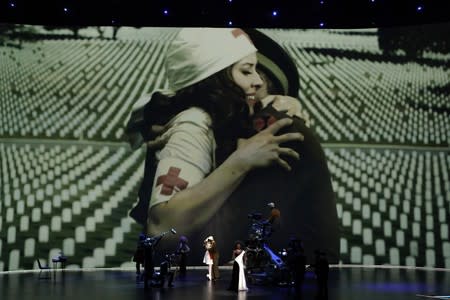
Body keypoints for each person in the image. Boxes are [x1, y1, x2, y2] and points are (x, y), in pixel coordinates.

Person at [125, 28, 302, 263]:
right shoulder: (195, 123)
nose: (258, 82)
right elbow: (163, 230)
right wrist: (242, 161)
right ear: (217, 79)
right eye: (246, 71)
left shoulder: (219, 122)